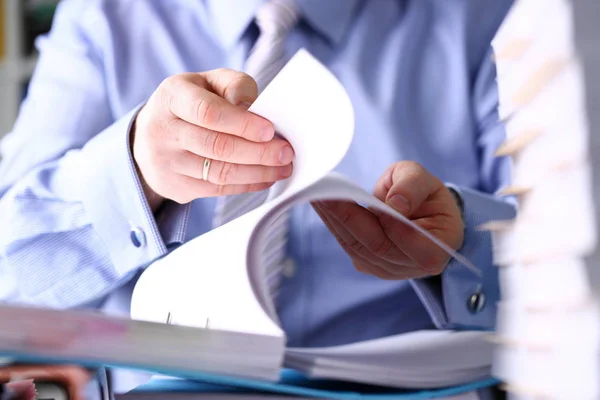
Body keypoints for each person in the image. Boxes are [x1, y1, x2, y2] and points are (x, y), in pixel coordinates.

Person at [0, 0, 516, 394]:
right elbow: (9, 271)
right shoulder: (105, 18)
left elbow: (571, 270)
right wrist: (133, 171)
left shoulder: (484, 18)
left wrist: (460, 248)